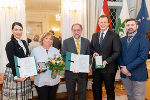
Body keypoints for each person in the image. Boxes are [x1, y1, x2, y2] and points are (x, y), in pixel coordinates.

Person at [90, 15, 121, 100]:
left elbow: (117, 52)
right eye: (101, 22)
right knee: (96, 90)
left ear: (108, 23)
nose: (103, 24)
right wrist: (94, 52)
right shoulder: (94, 35)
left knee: (109, 91)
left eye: (104, 22)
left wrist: (106, 61)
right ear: (98, 23)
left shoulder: (114, 36)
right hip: (96, 68)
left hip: (109, 68)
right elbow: (91, 48)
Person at [118, 18, 149, 100]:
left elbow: (142, 57)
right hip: (125, 75)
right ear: (125, 27)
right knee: (130, 96)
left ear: (137, 26)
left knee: (139, 97)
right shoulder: (122, 40)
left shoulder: (143, 39)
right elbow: (119, 55)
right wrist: (122, 67)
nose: (130, 27)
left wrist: (127, 68)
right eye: (128, 25)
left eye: (132, 25)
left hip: (138, 74)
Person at [1, 22, 32, 99]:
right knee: (15, 97)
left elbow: (26, 58)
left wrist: (31, 68)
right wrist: (16, 76)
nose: (18, 32)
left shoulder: (24, 42)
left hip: (24, 71)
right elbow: (12, 61)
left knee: (23, 96)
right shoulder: (10, 44)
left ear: (22, 31)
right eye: (16, 29)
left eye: (20, 30)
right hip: (14, 72)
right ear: (12, 31)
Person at [62, 23, 90, 100]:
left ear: (81, 31)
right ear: (72, 31)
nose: (76, 32)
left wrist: (89, 63)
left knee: (82, 94)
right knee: (70, 95)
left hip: (83, 73)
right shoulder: (66, 42)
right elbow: (64, 56)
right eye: (74, 30)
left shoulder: (86, 41)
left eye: (78, 30)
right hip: (70, 73)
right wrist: (72, 67)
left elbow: (88, 55)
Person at [30, 32, 61, 100]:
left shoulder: (55, 51)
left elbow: (60, 63)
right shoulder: (35, 51)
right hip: (41, 80)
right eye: (46, 38)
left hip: (54, 80)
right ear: (42, 39)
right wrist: (36, 68)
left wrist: (57, 67)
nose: (48, 40)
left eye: (50, 39)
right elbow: (31, 65)